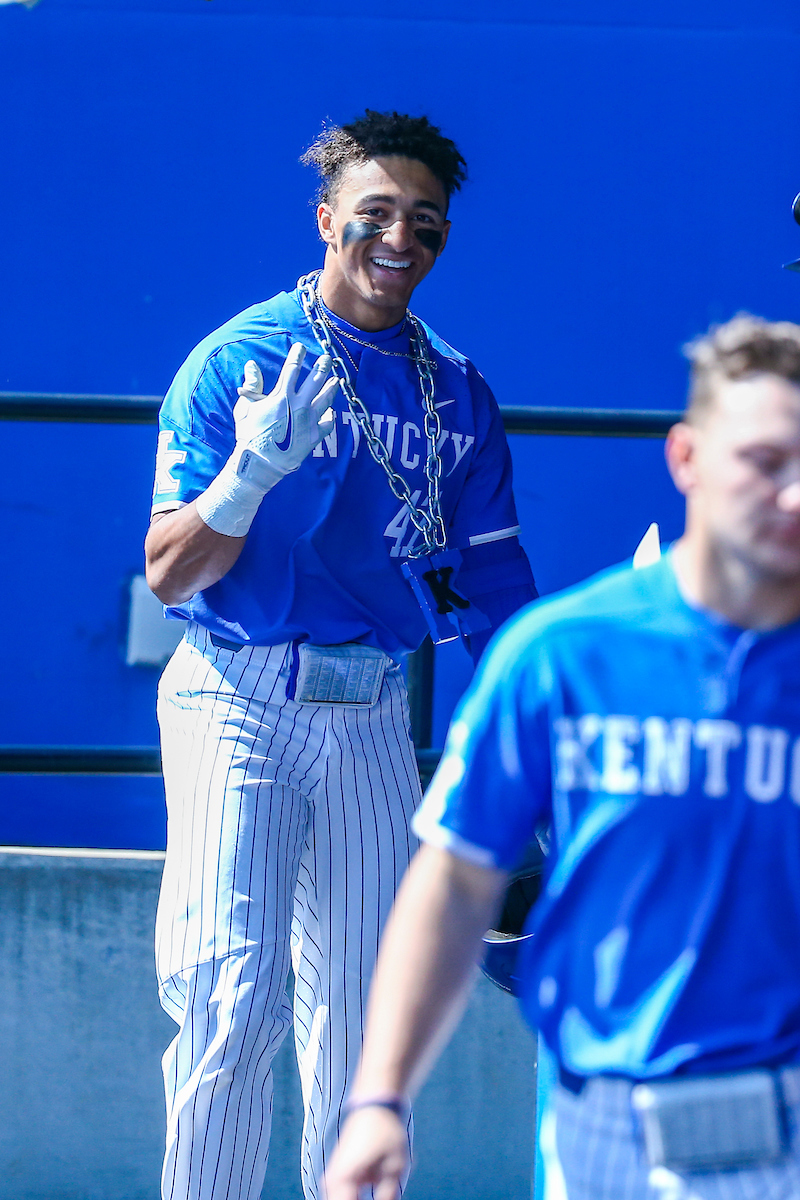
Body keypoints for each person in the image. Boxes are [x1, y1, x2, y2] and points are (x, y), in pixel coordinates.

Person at [143, 109, 536, 1200]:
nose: (397, 237)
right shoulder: (242, 358)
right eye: (373, 214)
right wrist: (246, 477)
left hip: (368, 715)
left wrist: (541, 740)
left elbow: (483, 585)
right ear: (326, 221)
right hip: (239, 694)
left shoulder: (455, 388)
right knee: (231, 998)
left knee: (366, 1021)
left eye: (424, 219)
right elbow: (171, 573)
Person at [325, 314, 800, 1200]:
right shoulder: (562, 653)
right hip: (602, 1130)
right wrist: (379, 1098)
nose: (796, 495)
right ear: (687, 458)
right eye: (766, 462)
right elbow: (457, 880)